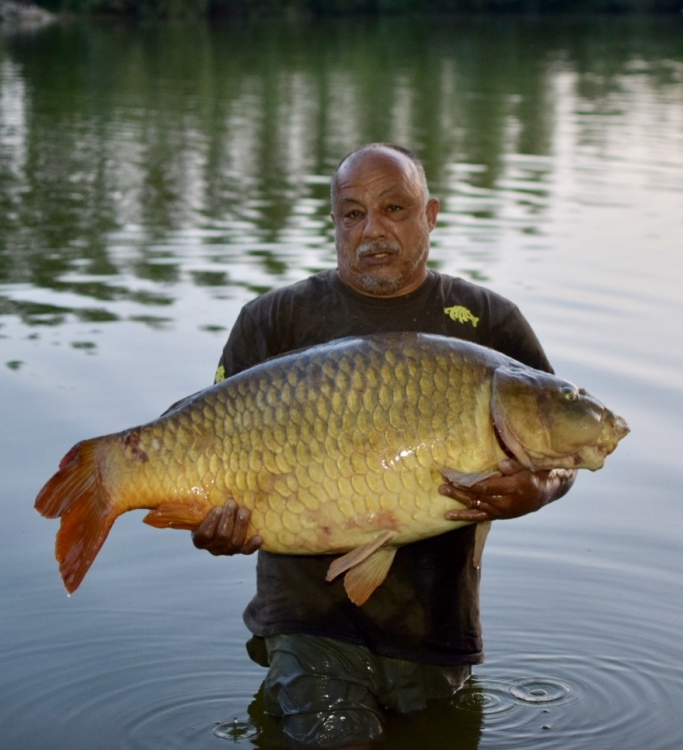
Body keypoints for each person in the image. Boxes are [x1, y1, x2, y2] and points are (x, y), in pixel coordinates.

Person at [192, 143, 576, 749]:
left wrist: (536, 490)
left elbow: (558, 451)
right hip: (307, 621)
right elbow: (206, 458)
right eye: (352, 213)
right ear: (335, 224)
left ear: (431, 215)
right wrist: (215, 524)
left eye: (395, 207)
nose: (373, 230)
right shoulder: (273, 322)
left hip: (436, 628)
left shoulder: (488, 324)